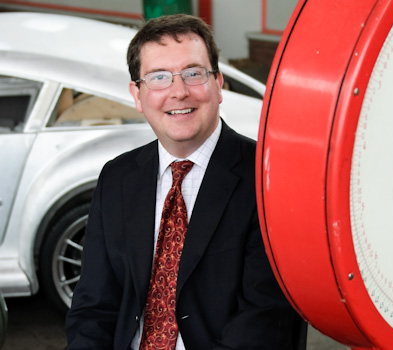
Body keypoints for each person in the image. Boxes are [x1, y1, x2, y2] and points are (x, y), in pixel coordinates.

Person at [66, 14, 306, 350]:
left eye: (193, 74)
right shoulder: (117, 178)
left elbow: (264, 320)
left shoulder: (265, 177)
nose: (178, 92)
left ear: (218, 84)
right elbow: (93, 308)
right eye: (159, 77)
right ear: (137, 95)